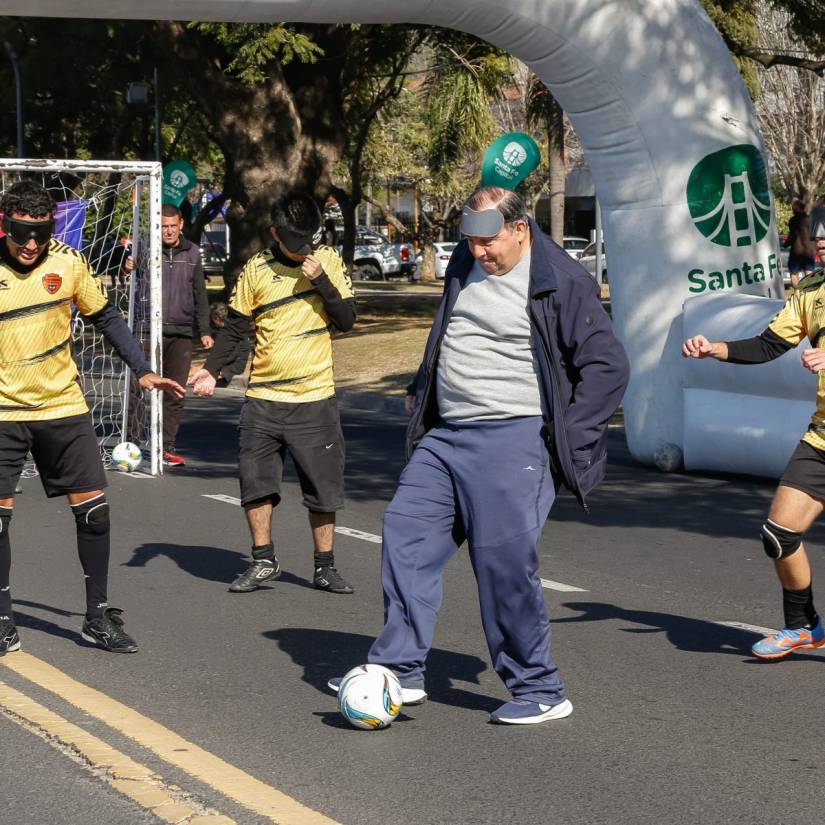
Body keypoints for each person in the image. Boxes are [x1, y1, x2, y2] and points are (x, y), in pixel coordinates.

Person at [328, 187, 630, 724]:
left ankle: (540, 687)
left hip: (514, 436)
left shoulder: (562, 281)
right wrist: (425, 386)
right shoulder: (468, 261)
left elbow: (608, 368)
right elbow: (452, 331)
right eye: (470, 242)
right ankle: (399, 669)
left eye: (489, 243)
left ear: (520, 229)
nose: (480, 253)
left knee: (502, 564)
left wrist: (566, 440)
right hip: (446, 435)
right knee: (406, 534)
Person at [0, 180, 184, 655]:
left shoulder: (69, 261)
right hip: (3, 412)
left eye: (40, 234)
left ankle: (96, 617)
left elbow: (107, 318)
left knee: (94, 511)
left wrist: (142, 369)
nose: (32, 245)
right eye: (22, 234)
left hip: (63, 406)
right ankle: (2, 621)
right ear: (6, 224)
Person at [189, 191, 357, 595]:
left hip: (314, 398)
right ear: (274, 234)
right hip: (263, 399)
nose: (304, 251)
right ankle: (263, 560)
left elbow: (347, 320)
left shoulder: (327, 261)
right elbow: (233, 328)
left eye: (309, 241)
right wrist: (210, 371)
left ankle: (324, 567)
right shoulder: (256, 271)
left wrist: (321, 281)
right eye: (295, 243)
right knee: (255, 484)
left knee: (323, 490)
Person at [682, 218, 825, 660]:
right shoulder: (810, 290)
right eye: (820, 235)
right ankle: (803, 626)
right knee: (779, 534)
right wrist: (716, 349)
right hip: (822, 439)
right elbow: (767, 346)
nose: (821, 242)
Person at [124, 204, 213, 466]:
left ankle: (165, 446)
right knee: (139, 387)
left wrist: (204, 330)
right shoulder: (144, 247)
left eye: (173, 226)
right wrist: (127, 267)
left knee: (175, 391)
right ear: (157, 227)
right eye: (164, 226)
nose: (169, 231)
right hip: (147, 328)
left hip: (181, 330)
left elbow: (200, 294)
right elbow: (123, 275)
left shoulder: (193, 252)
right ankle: (133, 443)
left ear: (181, 224)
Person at [209, 301, 252, 387]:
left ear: (216, 318)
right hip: (224, 370)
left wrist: (213, 370)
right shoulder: (229, 332)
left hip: (229, 372)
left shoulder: (232, 334)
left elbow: (233, 360)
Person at [785, 200, 816, 288]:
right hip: (809, 251)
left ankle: (798, 293)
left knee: (794, 273)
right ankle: (811, 292)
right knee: (809, 272)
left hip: (796, 251)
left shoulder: (792, 220)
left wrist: (786, 244)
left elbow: (792, 236)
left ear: (794, 209)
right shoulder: (810, 219)